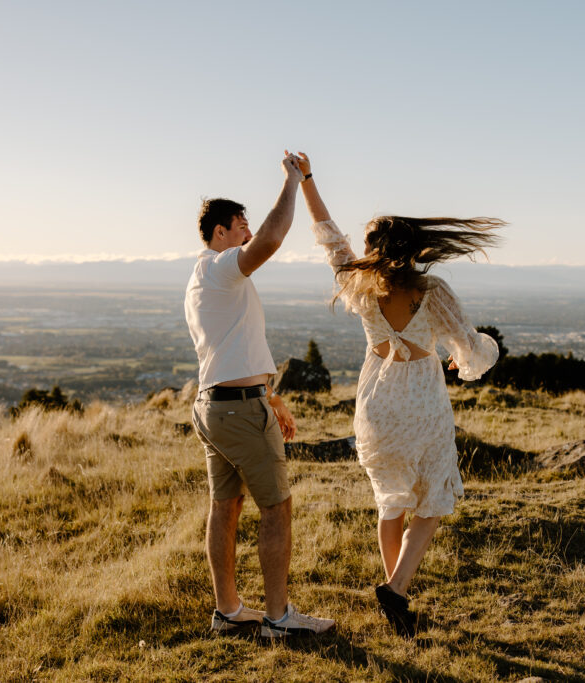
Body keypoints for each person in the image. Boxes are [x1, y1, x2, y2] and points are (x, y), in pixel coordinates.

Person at [296, 152, 502, 636]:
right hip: (423, 403)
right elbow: (470, 347)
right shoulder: (432, 291)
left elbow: (327, 232)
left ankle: (397, 597)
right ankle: (396, 589)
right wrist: (473, 355)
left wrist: (306, 179)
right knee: (431, 501)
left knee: (390, 502)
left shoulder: (358, 286)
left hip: (377, 402)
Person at [185, 152, 334, 639]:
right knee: (277, 507)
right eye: (241, 224)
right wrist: (293, 182)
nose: (249, 231)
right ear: (221, 232)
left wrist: (271, 397)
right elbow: (273, 237)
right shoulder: (220, 267)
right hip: (237, 411)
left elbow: (235, 351)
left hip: (219, 406)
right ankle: (279, 619)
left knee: (225, 505)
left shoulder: (207, 278)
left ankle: (228, 611)